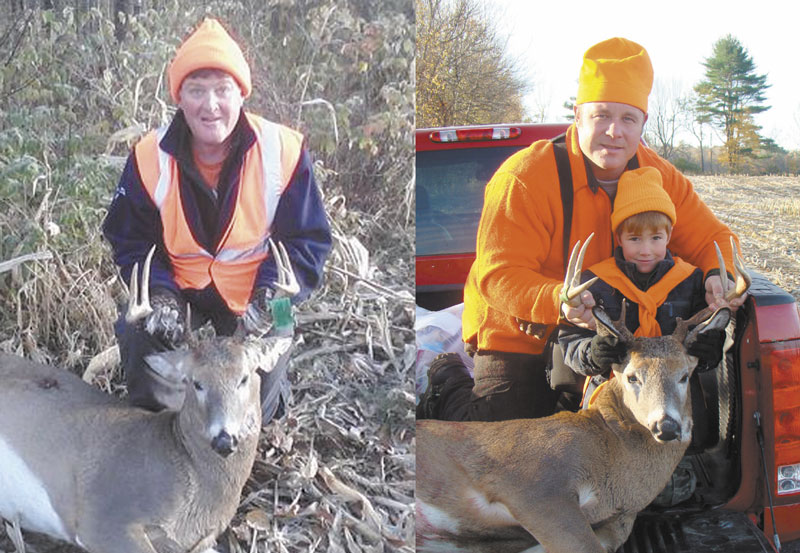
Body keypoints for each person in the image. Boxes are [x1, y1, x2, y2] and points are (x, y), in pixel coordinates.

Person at [416, 36, 745, 422]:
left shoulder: (660, 178)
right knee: (498, 431)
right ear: (577, 115)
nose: (614, 132)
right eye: (601, 115)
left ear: (643, 123)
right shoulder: (524, 178)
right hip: (521, 329)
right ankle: (445, 378)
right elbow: (498, 275)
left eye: (627, 119)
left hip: (609, 334)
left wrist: (717, 275)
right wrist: (559, 300)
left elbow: (713, 239)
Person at [102, 18, 332, 423]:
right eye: (196, 90)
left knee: (261, 398)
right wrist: (160, 296)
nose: (210, 106)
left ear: (241, 94)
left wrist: (272, 299)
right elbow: (130, 239)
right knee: (138, 329)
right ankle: (162, 424)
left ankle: (269, 407)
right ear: (180, 98)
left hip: (263, 295)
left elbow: (307, 241)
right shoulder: (147, 156)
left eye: (222, 90)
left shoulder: (284, 150)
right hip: (180, 290)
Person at [558, 166, 725, 409]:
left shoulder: (689, 281)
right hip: (613, 401)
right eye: (634, 239)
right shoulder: (596, 282)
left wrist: (710, 350)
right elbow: (571, 340)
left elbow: (703, 345)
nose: (645, 250)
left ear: (669, 236)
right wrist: (593, 353)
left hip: (674, 401)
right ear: (619, 238)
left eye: (656, 238)